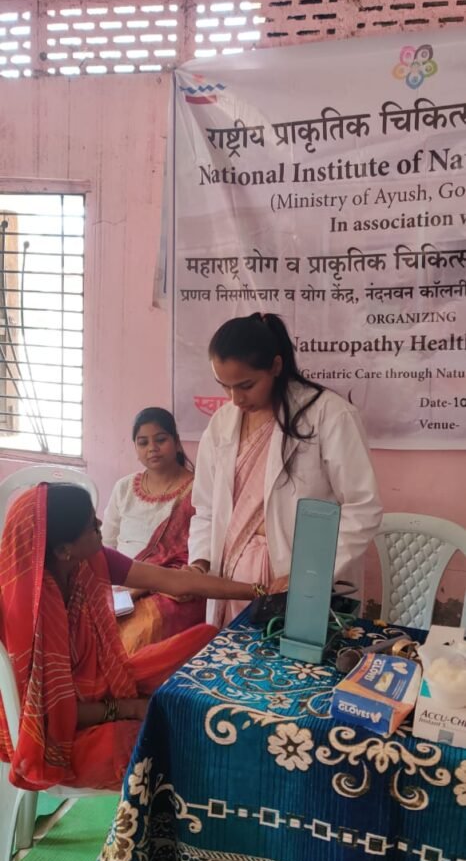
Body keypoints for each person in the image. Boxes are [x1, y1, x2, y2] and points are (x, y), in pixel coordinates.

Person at [0, 483, 267, 793]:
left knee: (206, 641)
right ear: (63, 550)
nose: (100, 524)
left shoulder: (88, 561)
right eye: (91, 525)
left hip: (95, 689)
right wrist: (131, 708)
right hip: (53, 734)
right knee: (141, 744)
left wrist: (258, 591)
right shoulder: (29, 612)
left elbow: (176, 582)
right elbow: (51, 714)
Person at [188, 312, 383, 625]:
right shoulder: (221, 424)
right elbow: (206, 508)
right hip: (232, 585)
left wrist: (308, 574)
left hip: (301, 579)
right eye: (225, 386)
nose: (235, 399)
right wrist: (200, 562)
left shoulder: (329, 415)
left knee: (297, 653)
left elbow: (363, 507)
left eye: (246, 385)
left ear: (276, 366)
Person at [102, 408, 205, 654]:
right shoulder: (124, 487)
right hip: (121, 586)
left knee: (137, 635)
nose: (152, 448)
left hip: (170, 588)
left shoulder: (198, 489)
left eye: (160, 440)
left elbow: (199, 552)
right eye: (143, 443)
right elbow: (106, 544)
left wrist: (144, 586)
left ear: (177, 443)